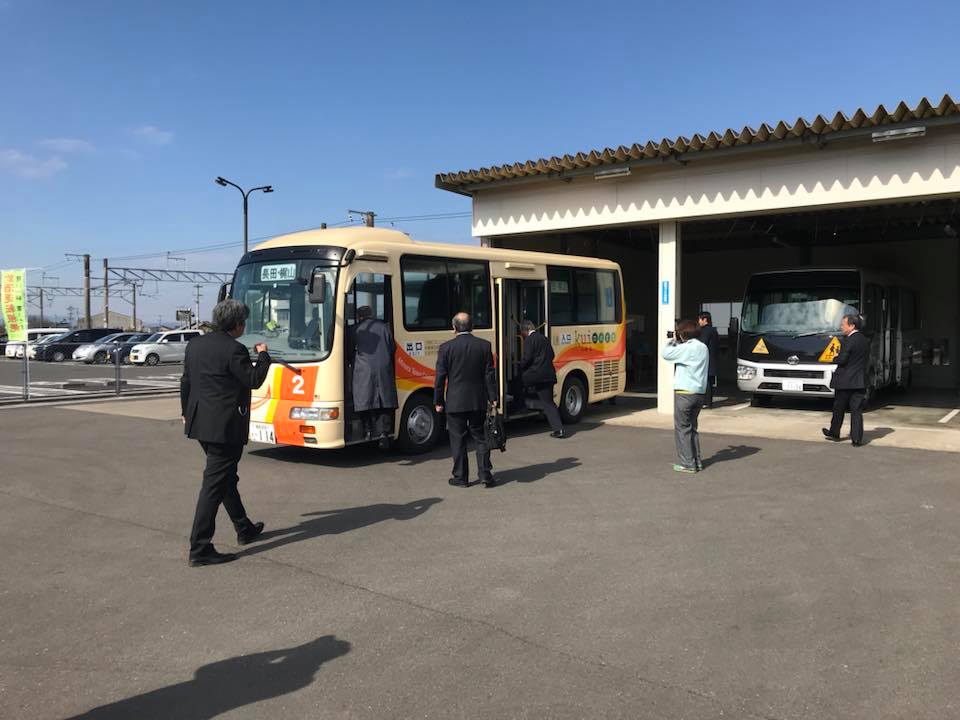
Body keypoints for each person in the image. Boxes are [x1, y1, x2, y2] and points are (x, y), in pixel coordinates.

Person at [180, 299, 271, 567]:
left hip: (200, 423)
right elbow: (253, 380)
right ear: (237, 324)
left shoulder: (195, 344)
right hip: (225, 427)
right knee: (214, 485)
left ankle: (244, 528)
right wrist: (263, 356)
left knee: (225, 478)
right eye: (244, 322)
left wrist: (185, 411)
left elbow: (186, 381)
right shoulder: (234, 349)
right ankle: (200, 548)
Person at [434, 312, 499, 488]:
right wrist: (493, 397)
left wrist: (438, 401)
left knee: (458, 439)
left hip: (455, 402)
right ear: (472, 327)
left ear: (454, 328)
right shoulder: (484, 346)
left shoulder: (446, 348)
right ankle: (485, 474)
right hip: (478, 400)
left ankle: (461, 477)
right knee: (480, 437)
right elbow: (489, 375)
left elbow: (440, 377)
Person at [661, 319, 709, 473]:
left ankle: (687, 464)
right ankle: (696, 461)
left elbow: (666, 354)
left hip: (685, 393)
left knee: (682, 429)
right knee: (692, 428)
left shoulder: (687, 348)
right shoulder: (703, 347)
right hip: (699, 393)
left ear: (683, 334)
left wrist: (673, 341)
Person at [350, 305, 398, 448]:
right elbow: (392, 347)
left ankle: (368, 431)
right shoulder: (384, 327)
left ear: (359, 316)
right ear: (371, 314)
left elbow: (348, 352)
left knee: (364, 401)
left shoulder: (354, 329)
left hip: (363, 371)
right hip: (383, 369)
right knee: (383, 401)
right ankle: (383, 433)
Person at [823, 313, 869, 447]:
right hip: (859, 381)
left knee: (839, 408)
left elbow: (843, 359)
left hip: (845, 381)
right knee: (856, 410)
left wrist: (834, 358)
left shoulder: (849, 340)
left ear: (852, 326)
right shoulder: (865, 340)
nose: (841, 327)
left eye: (843, 324)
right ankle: (857, 438)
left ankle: (834, 432)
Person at [519, 319, 564, 438]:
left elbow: (527, 358)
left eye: (522, 332)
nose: (522, 335)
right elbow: (552, 355)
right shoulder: (544, 339)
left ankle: (521, 408)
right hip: (548, 375)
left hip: (536, 376)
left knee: (517, 384)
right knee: (549, 402)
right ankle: (558, 428)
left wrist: (521, 365)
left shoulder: (529, 340)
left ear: (526, 330)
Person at [697, 311, 719, 409]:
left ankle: (705, 403)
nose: (698, 322)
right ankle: (708, 403)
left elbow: (702, 344)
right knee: (709, 382)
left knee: (706, 383)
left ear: (705, 320)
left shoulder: (706, 331)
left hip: (706, 360)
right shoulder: (714, 330)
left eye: (699, 319)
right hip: (712, 359)